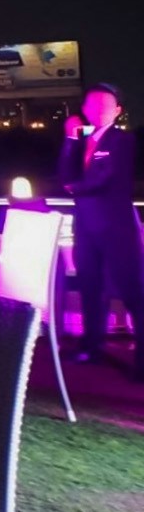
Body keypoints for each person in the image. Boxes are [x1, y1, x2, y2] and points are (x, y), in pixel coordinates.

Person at [59, 82, 144, 380]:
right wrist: (70, 138)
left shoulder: (123, 140)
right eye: (92, 105)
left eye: (105, 105)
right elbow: (64, 174)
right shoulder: (82, 140)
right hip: (86, 226)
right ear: (84, 110)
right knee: (90, 288)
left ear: (117, 111)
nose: (98, 110)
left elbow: (105, 177)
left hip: (118, 227)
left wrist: (75, 188)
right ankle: (91, 347)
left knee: (134, 291)